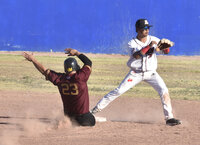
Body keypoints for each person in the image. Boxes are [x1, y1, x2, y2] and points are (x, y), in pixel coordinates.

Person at [91, 19, 181, 126]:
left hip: (151, 73)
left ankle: (169, 118)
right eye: (144, 28)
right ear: (138, 29)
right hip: (135, 73)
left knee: (164, 91)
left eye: (148, 28)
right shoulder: (132, 43)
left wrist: (166, 48)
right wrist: (149, 46)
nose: (147, 30)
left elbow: (165, 52)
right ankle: (93, 111)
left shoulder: (154, 39)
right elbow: (137, 55)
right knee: (118, 91)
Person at [22, 48, 95, 126]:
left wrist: (33, 60)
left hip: (69, 118)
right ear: (76, 67)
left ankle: (66, 123)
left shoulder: (60, 78)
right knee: (91, 119)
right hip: (83, 118)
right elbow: (88, 62)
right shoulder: (80, 76)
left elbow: (44, 71)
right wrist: (77, 52)